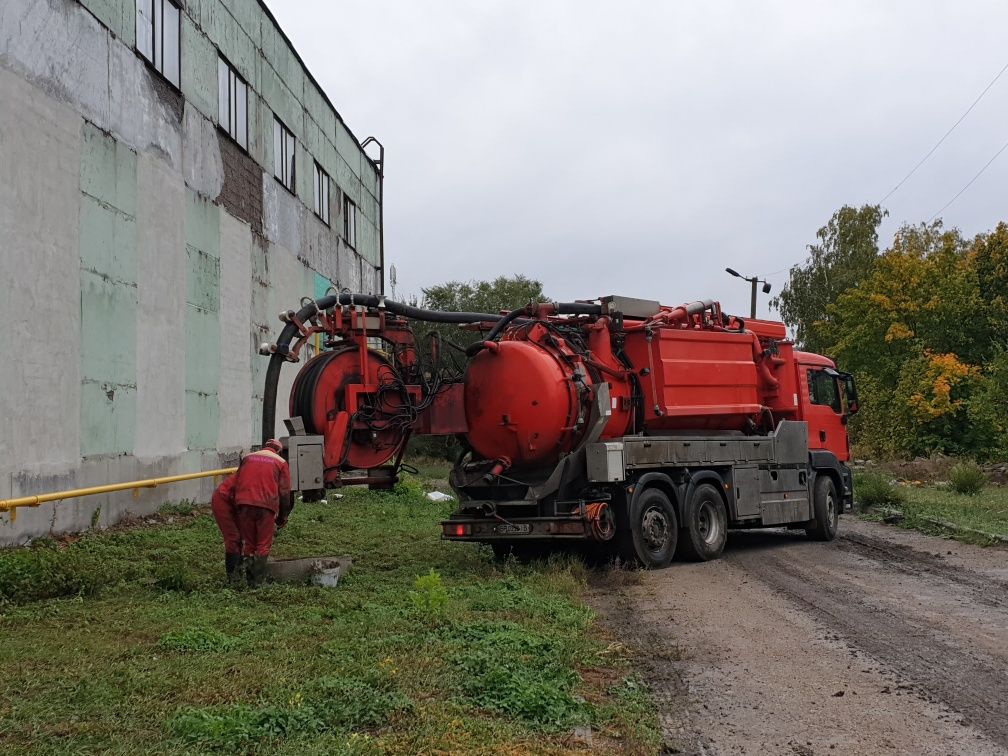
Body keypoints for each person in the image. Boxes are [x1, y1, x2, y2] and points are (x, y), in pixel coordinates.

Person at [233, 439, 293, 587]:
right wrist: (283, 516)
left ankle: (248, 580)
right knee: (263, 544)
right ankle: (258, 582)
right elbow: (285, 493)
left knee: (249, 543)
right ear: (279, 450)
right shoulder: (280, 462)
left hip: (244, 503)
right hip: (265, 505)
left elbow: (238, 480)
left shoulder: (248, 457)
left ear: (265, 447)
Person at [210, 473, 243, 586]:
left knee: (243, 537)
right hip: (223, 499)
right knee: (233, 538)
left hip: (238, 501)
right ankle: (233, 579)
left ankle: (241, 575)